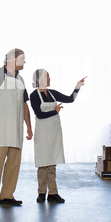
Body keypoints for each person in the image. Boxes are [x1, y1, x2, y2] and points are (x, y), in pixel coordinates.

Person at [0, 49, 33, 210]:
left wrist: (29, 128)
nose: (25, 62)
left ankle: (6, 195)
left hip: (16, 128)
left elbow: (25, 105)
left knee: (13, 164)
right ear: (12, 58)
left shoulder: (21, 80)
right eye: (22, 59)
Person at [30, 69, 85, 203]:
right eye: (47, 77)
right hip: (42, 133)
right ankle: (42, 192)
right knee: (43, 163)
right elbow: (39, 114)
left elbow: (70, 99)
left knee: (52, 163)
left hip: (54, 132)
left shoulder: (52, 93)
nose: (49, 79)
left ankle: (53, 193)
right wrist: (55, 111)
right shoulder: (34, 95)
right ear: (39, 80)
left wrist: (77, 86)